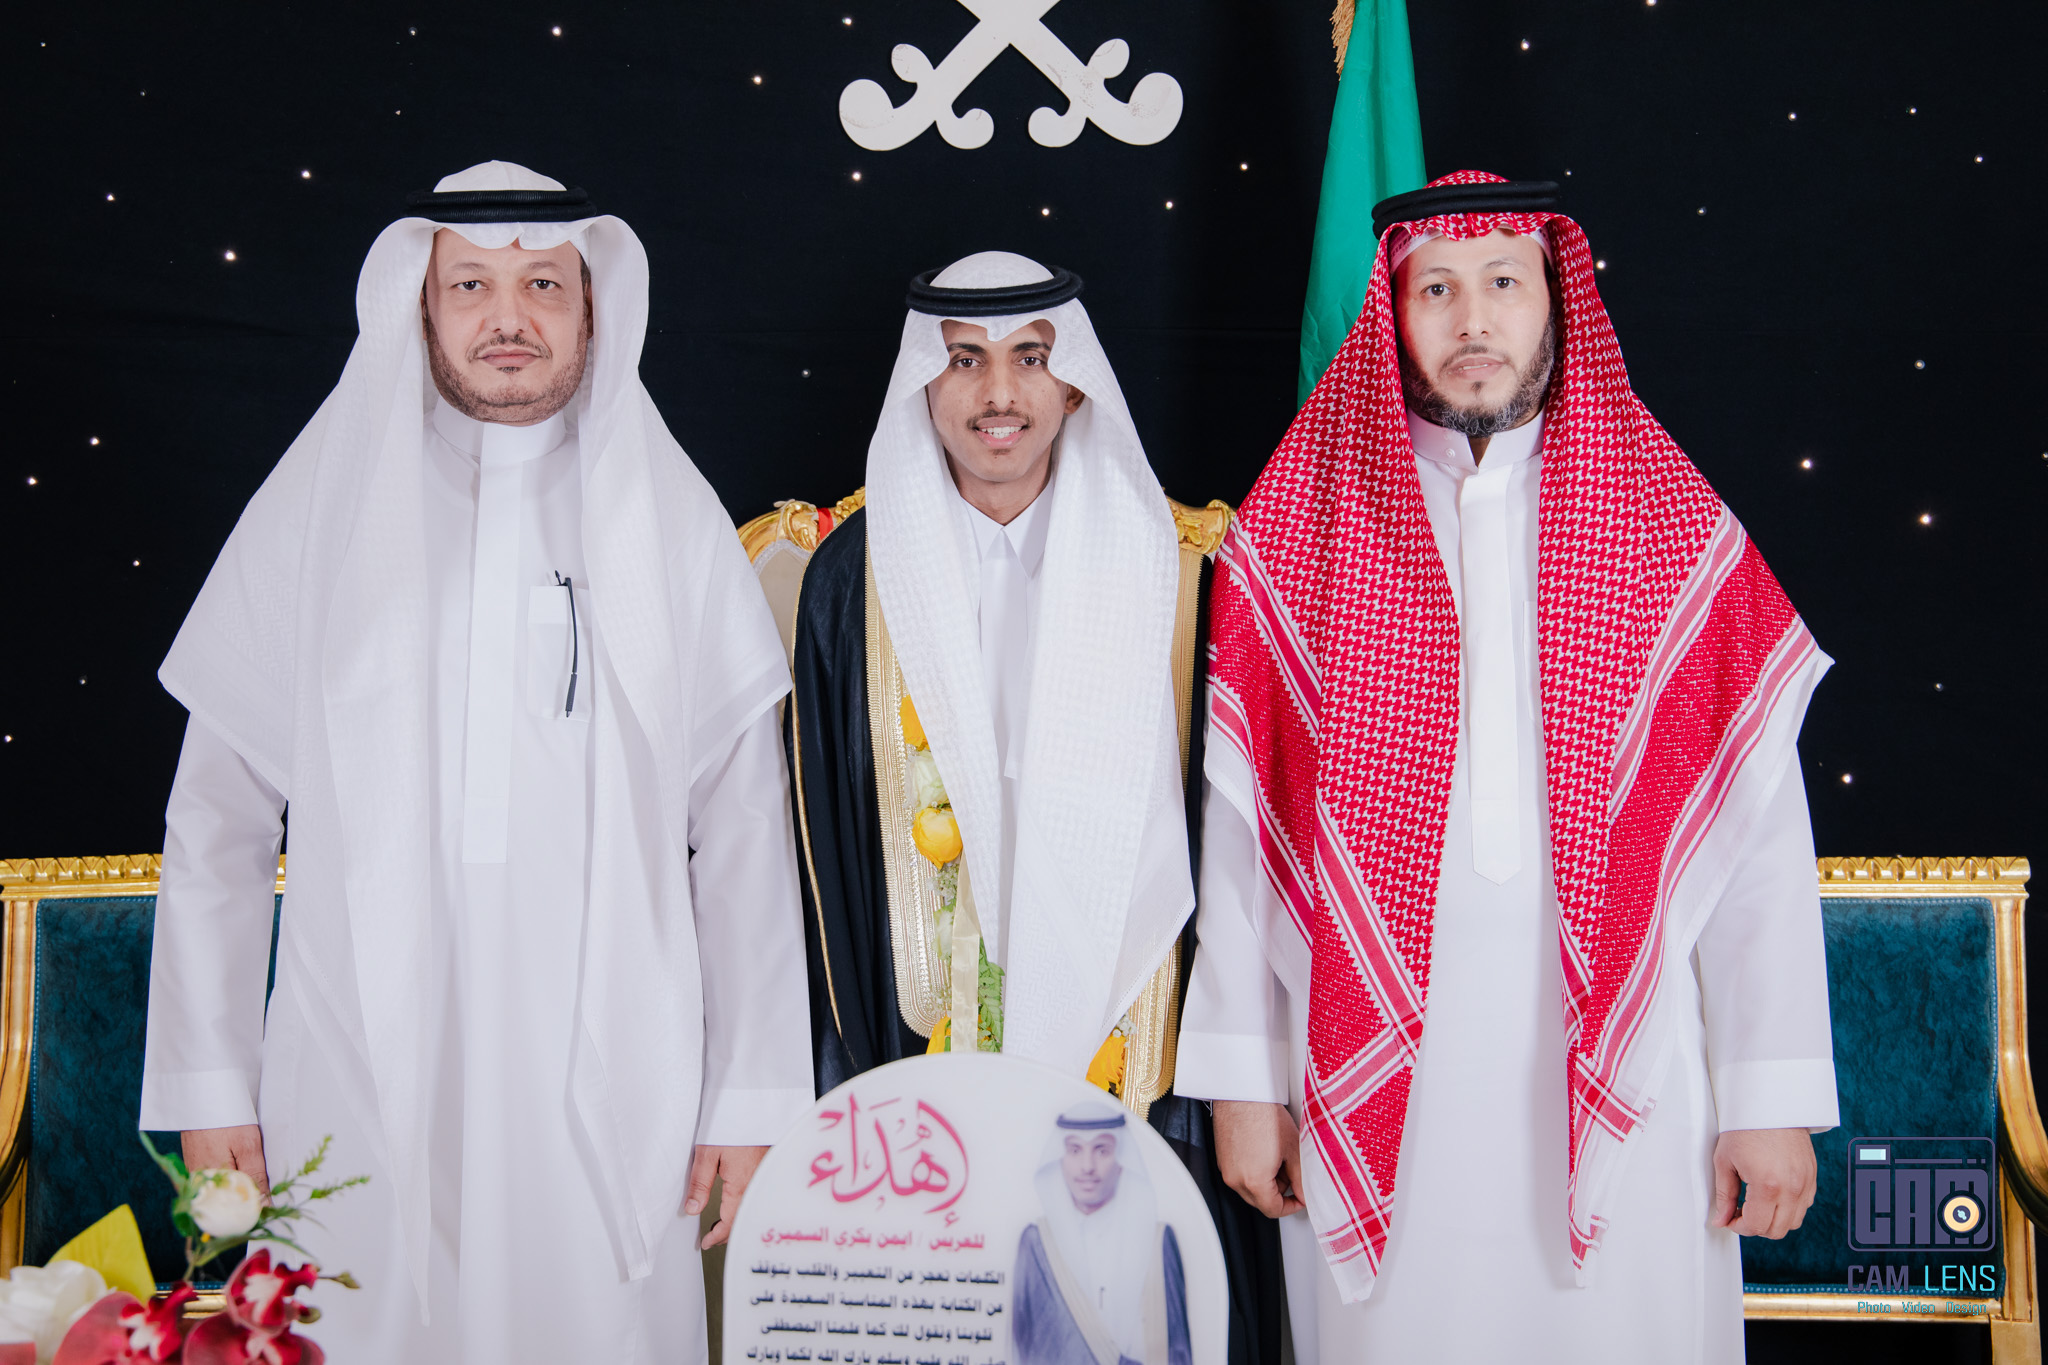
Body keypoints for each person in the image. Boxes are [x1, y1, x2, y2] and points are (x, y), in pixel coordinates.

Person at [139, 161, 813, 1363]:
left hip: (612, 1061)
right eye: (471, 286)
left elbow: (746, 835)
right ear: (420, 303)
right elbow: (216, 824)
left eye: (543, 283)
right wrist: (208, 1083)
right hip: (355, 1054)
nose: (509, 317)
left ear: (592, 308)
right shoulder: (319, 509)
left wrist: (750, 1092)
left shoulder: (667, 519)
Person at [1175, 171, 1838, 1362]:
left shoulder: (1666, 526)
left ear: (1555, 302)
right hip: (1364, 1074)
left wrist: (1770, 1096)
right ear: (1391, 316)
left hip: (1631, 1077)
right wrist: (1240, 1079)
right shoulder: (1301, 530)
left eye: (1501, 283)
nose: (1471, 320)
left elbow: (1753, 836)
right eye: (1434, 289)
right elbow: (1243, 832)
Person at [785, 251, 1283, 1360]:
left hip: (1146, 1073)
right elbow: (827, 869)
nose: (998, 393)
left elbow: (1240, 852)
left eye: (1030, 358)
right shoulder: (852, 580)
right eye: (964, 360)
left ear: (1075, 383)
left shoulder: (1180, 570)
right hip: (919, 1068)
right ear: (924, 383)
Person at [1014, 1105, 1191, 1365]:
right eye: (1075, 1150)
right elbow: (1020, 1346)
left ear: (1121, 1160)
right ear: (1060, 1159)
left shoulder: (1157, 1242)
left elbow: (1179, 1350)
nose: (1087, 1167)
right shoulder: (1036, 1242)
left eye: (1102, 1150)